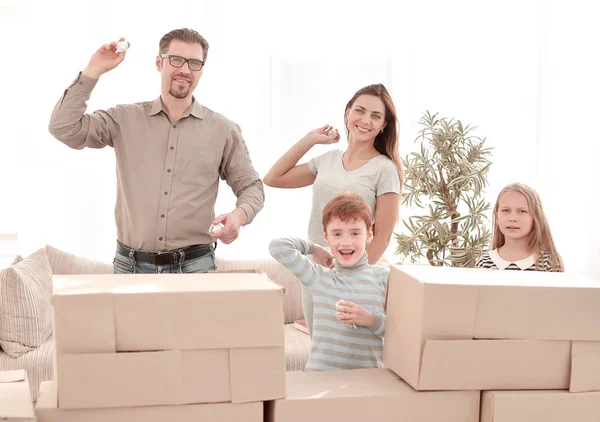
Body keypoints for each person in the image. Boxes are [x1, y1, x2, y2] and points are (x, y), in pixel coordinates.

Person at [48, 28, 264, 274]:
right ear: (159, 63)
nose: (185, 69)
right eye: (176, 59)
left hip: (196, 267)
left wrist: (239, 216)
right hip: (130, 268)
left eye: (194, 63)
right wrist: (93, 71)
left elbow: (252, 186)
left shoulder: (223, 130)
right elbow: (63, 127)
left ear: (201, 70)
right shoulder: (124, 119)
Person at [264, 84, 402, 334]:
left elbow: (382, 235)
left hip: (354, 277)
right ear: (347, 112)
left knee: (351, 354)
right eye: (359, 111)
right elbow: (274, 178)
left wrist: (352, 276)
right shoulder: (326, 161)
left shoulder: (384, 169)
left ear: (383, 126)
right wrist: (311, 139)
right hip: (317, 274)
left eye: (376, 116)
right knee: (319, 347)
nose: (366, 120)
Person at [269, 192, 389, 371]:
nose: (346, 242)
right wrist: (314, 248)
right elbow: (277, 247)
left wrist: (370, 319)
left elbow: (403, 331)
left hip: (368, 380)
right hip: (320, 378)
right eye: (337, 234)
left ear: (369, 234)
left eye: (355, 233)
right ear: (326, 237)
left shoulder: (383, 277)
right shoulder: (318, 277)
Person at [475, 183, 564, 271]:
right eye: (506, 210)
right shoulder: (484, 264)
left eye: (522, 211)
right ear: (496, 216)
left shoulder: (549, 262)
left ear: (535, 218)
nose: (513, 218)